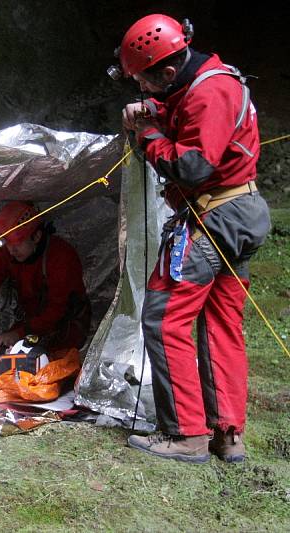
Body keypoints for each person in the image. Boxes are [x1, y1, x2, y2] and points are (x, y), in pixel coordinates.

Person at [111, 14, 271, 463]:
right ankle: (227, 433)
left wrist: (148, 135)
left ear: (167, 70)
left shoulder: (209, 92)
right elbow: (187, 114)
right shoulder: (208, 80)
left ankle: (185, 433)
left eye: (145, 81)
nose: (142, 90)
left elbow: (193, 167)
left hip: (214, 217)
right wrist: (155, 112)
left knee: (165, 319)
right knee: (221, 322)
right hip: (240, 211)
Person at [0, 201, 90, 352]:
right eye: (7, 244)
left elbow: (57, 310)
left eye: (17, 244)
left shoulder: (61, 257)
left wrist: (18, 334)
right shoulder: (9, 251)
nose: (11, 250)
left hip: (64, 329)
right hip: (30, 324)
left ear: (36, 237)